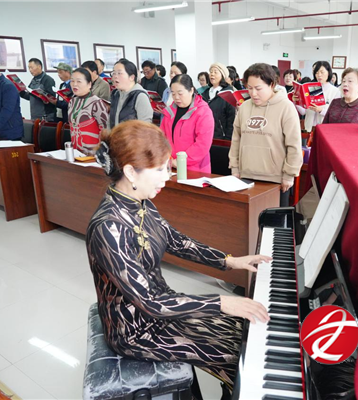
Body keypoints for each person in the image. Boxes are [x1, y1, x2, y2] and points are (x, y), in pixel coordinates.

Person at [87, 120, 270, 398]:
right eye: (161, 169)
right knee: (236, 354)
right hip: (136, 330)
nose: (167, 176)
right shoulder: (108, 227)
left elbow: (176, 240)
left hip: (163, 306)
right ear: (131, 172)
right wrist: (222, 302)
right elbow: (150, 303)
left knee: (240, 329)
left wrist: (229, 261)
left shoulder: (140, 202)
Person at [229, 63, 303, 208]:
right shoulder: (244, 107)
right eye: (249, 88)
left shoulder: (286, 107)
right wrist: (235, 167)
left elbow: (293, 144)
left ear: (272, 85)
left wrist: (289, 174)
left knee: (272, 220)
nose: (253, 93)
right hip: (246, 176)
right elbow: (236, 139)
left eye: (258, 88)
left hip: (276, 179)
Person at [160, 74, 214, 173]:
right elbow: (161, 138)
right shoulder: (169, 112)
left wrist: (180, 161)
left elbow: (202, 144)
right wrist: (168, 159)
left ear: (191, 90)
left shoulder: (203, 112)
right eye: (173, 93)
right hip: (171, 166)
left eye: (180, 93)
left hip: (195, 169)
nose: (176, 97)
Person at [68, 68, 109, 154]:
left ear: (89, 84)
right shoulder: (72, 102)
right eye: (72, 81)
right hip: (76, 152)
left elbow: (105, 130)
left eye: (79, 81)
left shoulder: (96, 102)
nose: (74, 84)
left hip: (93, 153)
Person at [293, 61, 340, 132]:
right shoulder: (311, 89)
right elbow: (303, 112)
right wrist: (296, 102)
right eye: (316, 73)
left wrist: (321, 110)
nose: (319, 75)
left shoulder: (335, 91)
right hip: (308, 129)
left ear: (328, 73)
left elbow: (335, 114)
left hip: (324, 130)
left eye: (322, 72)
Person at [109, 59, 153, 129]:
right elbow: (110, 121)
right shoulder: (116, 94)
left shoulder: (140, 96)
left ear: (132, 77)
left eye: (119, 73)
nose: (115, 76)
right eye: (114, 73)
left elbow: (145, 128)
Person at [201, 63, 236, 140]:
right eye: (211, 72)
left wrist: (228, 139)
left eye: (215, 72)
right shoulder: (205, 94)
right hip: (204, 135)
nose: (212, 74)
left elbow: (231, 120)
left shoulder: (228, 94)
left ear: (222, 76)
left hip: (220, 137)